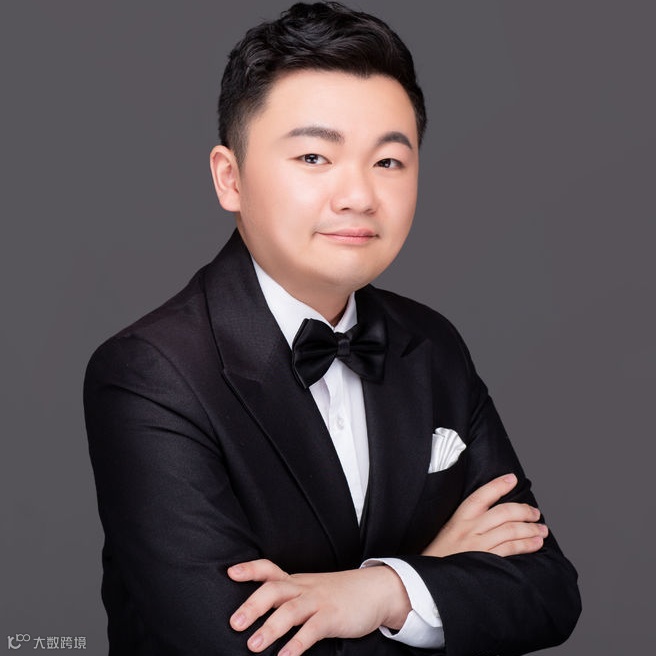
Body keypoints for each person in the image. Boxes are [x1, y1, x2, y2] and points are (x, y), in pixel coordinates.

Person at [83, 3, 581, 655]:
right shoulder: (151, 372)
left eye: (389, 162)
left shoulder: (431, 345)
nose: (359, 197)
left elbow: (547, 593)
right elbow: (235, 646)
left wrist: (381, 591)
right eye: (315, 156)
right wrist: (433, 577)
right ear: (230, 178)